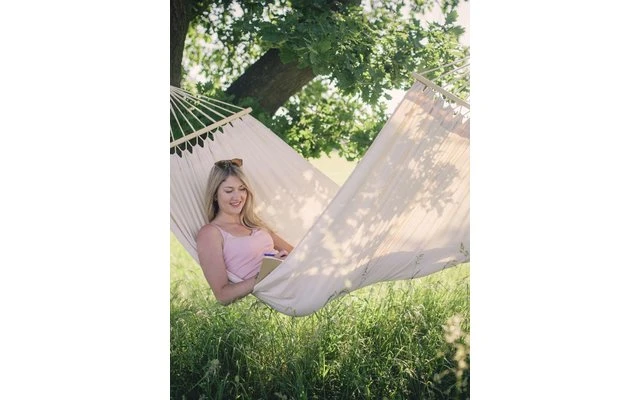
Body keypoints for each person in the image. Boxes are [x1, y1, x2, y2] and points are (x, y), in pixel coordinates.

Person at [196, 158, 293, 305]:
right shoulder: (210, 233)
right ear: (215, 195)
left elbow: (294, 253)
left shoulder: (254, 223)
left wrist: (283, 260)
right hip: (283, 290)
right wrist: (265, 273)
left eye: (242, 189)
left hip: (294, 275)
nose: (238, 197)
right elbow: (222, 295)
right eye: (229, 191)